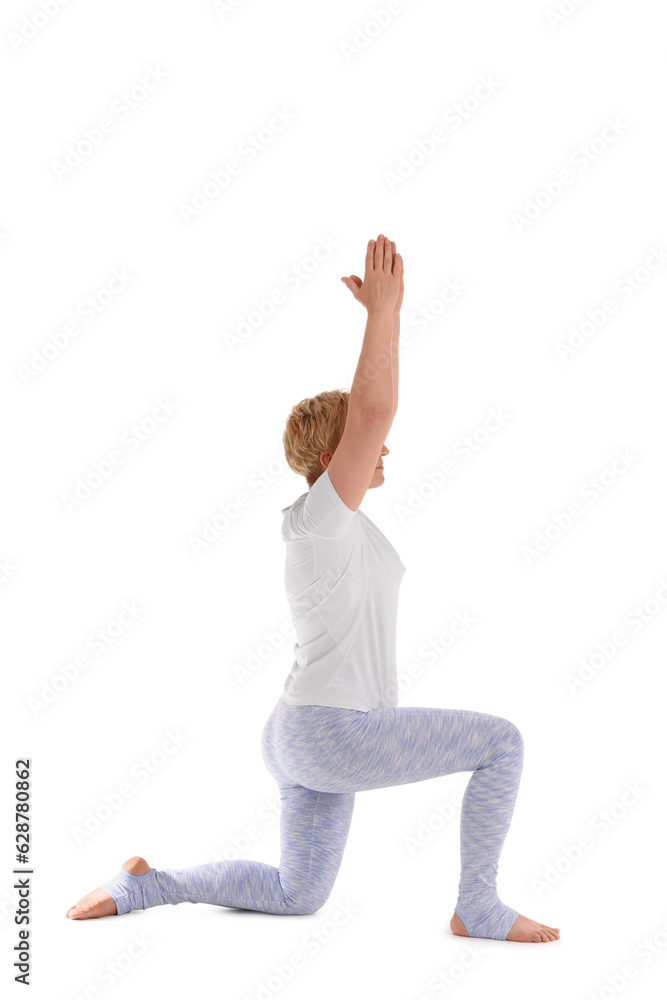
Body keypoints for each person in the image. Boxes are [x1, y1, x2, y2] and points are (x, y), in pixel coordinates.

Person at [66, 234, 560, 943]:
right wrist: (382, 315)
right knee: (501, 743)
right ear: (331, 462)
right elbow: (373, 413)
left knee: (296, 894)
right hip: (330, 732)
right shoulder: (320, 517)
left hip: (300, 731)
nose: (383, 449)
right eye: (362, 448)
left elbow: (368, 425)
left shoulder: (336, 527)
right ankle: (476, 906)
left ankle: (149, 886)